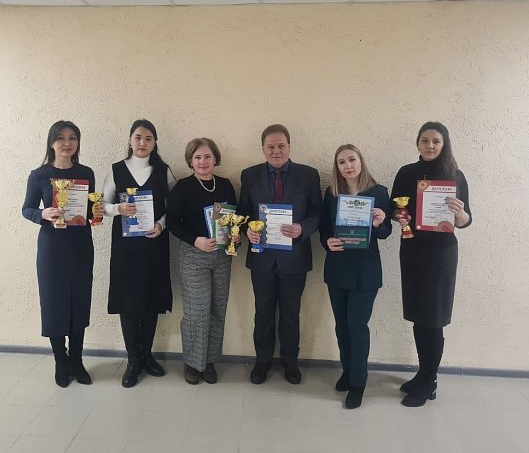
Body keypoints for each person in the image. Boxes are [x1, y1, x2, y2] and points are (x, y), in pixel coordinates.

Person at [391, 122, 472, 407]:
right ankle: (423, 374)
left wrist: (459, 213)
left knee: (433, 318)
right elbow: (394, 208)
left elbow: (466, 221)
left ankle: (429, 381)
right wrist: (399, 216)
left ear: (444, 144)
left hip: (441, 255)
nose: (430, 146)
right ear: (418, 143)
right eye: (425, 140)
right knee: (418, 314)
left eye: (436, 141)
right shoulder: (406, 173)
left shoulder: (455, 175)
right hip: (412, 250)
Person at [237, 124, 322, 385]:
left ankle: (290, 363)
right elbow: (242, 213)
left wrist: (302, 228)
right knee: (262, 312)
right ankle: (262, 362)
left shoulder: (309, 175)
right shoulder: (249, 175)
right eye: (271, 147)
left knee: (290, 314)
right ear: (263, 149)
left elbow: (317, 213)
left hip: (294, 258)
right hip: (261, 257)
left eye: (281, 146)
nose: (276, 151)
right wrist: (247, 232)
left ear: (289, 147)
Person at [22, 120, 97, 388]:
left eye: (72, 137)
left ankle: (77, 360)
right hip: (52, 250)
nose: (67, 143)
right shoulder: (39, 175)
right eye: (61, 137)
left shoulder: (86, 173)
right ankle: (60, 361)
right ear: (51, 142)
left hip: (80, 247)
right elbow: (27, 209)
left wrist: (96, 213)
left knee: (79, 302)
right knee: (54, 304)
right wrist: (43, 213)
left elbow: (88, 210)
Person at [102, 119, 176, 388]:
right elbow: (102, 204)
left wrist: (162, 224)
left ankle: (147, 356)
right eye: (138, 137)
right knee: (129, 300)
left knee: (151, 298)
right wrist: (118, 210)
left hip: (154, 243)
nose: (142, 143)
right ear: (130, 140)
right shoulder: (116, 170)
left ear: (155, 143)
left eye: (148, 138)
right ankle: (133, 361)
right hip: (126, 247)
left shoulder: (164, 171)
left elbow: (175, 206)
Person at [319, 145, 391, 409]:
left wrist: (379, 223)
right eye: (342, 162)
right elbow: (324, 229)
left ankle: (359, 382)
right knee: (341, 325)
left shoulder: (378, 192)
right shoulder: (332, 194)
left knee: (357, 326)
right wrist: (327, 242)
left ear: (361, 161)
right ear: (337, 167)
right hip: (337, 268)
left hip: (365, 271)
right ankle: (348, 371)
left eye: (352, 160)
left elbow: (386, 232)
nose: (348, 166)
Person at [167, 138, 237, 385]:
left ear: (215, 159)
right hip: (193, 255)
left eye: (207, 156)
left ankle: (208, 361)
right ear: (191, 161)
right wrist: (195, 240)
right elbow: (173, 222)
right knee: (197, 311)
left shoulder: (225, 185)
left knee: (217, 308)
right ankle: (192, 362)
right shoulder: (183, 187)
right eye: (197, 157)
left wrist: (234, 237)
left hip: (221, 256)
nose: (203, 162)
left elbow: (233, 218)